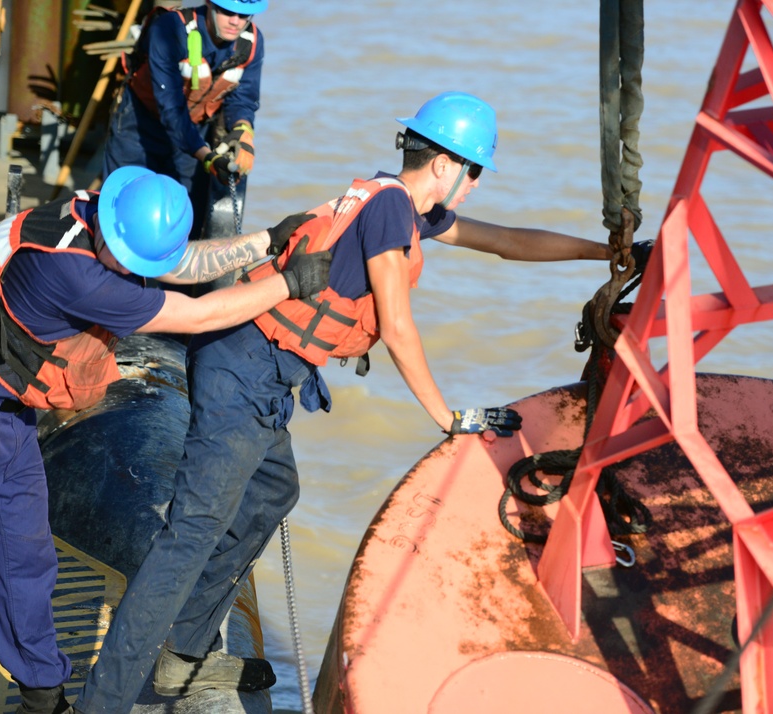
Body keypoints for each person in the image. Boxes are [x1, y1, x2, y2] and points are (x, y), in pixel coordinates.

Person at [72, 91, 651, 714]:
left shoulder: (398, 207)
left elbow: (506, 242)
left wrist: (605, 253)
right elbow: (397, 325)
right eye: (474, 170)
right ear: (445, 165)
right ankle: (104, 701)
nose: (475, 184)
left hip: (265, 371)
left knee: (272, 490)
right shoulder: (389, 210)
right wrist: (448, 416)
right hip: (243, 364)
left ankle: (181, 653)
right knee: (190, 534)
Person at [0, 166, 328, 714]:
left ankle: (43, 696)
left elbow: (180, 262)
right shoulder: (77, 278)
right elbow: (194, 313)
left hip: (8, 417)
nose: (137, 273)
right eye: (132, 264)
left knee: (23, 553)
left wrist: (266, 240)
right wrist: (285, 283)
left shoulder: (90, 212)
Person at [104, 0, 267, 239]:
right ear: (210, 4)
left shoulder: (251, 44)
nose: (236, 21)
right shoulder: (169, 29)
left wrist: (243, 133)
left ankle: (169, 273)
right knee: (122, 213)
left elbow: (243, 99)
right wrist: (207, 156)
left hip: (195, 130)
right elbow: (171, 108)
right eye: (227, 12)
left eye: (244, 15)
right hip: (139, 127)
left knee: (183, 222)